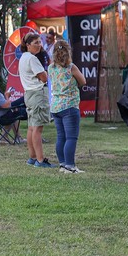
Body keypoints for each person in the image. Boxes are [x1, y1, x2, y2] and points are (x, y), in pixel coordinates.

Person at [49, 40, 86, 174]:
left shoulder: (51, 68)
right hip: (70, 106)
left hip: (55, 106)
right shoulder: (71, 67)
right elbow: (83, 81)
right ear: (68, 51)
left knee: (61, 137)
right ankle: (70, 166)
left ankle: (63, 164)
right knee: (71, 138)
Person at [20, 32, 53, 168]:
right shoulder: (33, 59)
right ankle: (40, 160)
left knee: (31, 127)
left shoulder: (23, 57)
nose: (39, 45)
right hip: (38, 93)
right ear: (28, 45)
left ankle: (32, 157)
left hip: (29, 93)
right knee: (38, 128)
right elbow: (44, 77)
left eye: (40, 42)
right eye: (36, 43)